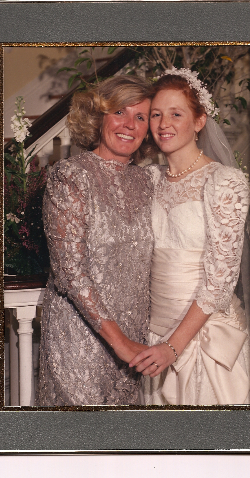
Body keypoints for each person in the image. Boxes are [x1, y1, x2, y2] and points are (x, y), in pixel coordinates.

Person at [130, 69, 250, 406]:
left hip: (201, 339)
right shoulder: (149, 179)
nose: (163, 124)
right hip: (154, 338)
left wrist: (173, 347)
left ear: (199, 121)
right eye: (156, 114)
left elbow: (220, 281)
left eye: (176, 114)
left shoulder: (224, 182)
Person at [36, 75, 155, 406]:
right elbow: (70, 272)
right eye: (119, 112)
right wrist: (120, 343)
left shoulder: (149, 180)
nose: (129, 124)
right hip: (79, 340)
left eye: (140, 117)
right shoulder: (70, 176)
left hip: (136, 339)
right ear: (99, 116)